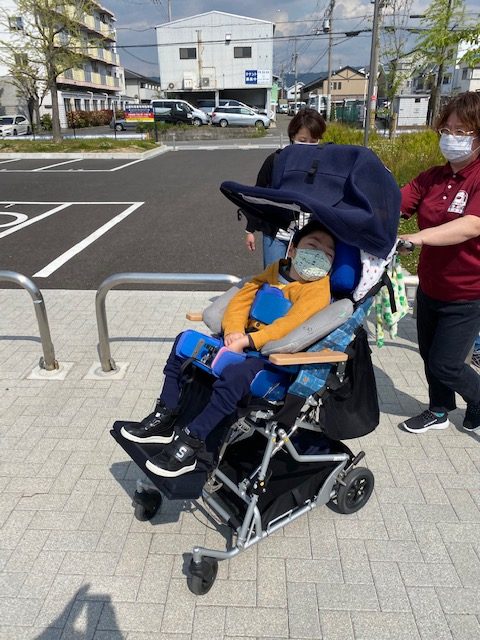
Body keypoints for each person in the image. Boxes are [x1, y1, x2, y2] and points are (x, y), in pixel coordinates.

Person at [121, 221, 336, 477]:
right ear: (292, 249)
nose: (319, 256)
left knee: (236, 374)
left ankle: (193, 439)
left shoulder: (317, 290)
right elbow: (242, 299)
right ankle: (166, 415)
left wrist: (248, 341)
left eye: (328, 254)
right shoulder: (274, 271)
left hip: (274, 360)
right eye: (313, 246)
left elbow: (291, 324)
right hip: (241, 342)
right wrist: (234, 329)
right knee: (185, 342)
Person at [398, 91, 480, 435]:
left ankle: (478, 398)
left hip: (467, 292)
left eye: (462, 132)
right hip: (431, 285)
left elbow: (471, 225)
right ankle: (439, 410)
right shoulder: (432, 177)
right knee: (429, 355)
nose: (451, 138)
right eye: (447, 130)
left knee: (446, 364)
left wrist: (418, 238)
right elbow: (398, 203)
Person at [244, 108, 327, 267]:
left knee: (305, 280)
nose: (308, 145)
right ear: (293, 136)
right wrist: (250, 230)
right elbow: (259, 194)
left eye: (313, 141)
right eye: (302, 140)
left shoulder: (323, 164)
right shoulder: (275, 161)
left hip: (310, 237)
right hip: (276, 234)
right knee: (274, 277)